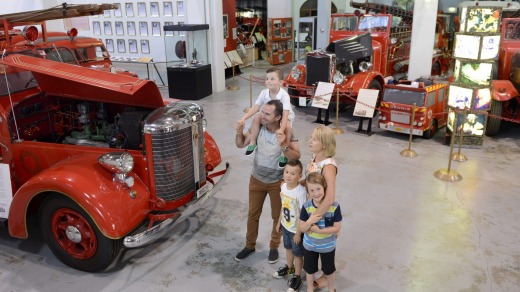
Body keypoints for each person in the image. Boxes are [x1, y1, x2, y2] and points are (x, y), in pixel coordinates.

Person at [234, 100, 301, 264]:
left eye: (267, 114)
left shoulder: (287, 132)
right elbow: (240, 144)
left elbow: (296, 156)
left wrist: (284, 145)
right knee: (252, 214)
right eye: (262, 112)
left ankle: (273, 247)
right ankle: (249, 246)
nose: (262, 116)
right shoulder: (258, 128)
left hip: (277, 182)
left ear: (278, 117)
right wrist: (239, 132)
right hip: (256, 178)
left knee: (277, 216)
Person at [236, 67, 295, 168]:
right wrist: (243, 118)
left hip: (284, 115)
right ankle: (253, 142)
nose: (268, 81)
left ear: (280, 82)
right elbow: (256, 107)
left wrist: (281, 128)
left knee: (288, 127)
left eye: (272, 79)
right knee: (256, 118)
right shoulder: (264, 92)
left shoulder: (284, 95)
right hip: (269, 114)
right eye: (267, 78)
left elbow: (285, 114)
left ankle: (283, 153)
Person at [305, 125, 338, 289]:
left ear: (324, 144)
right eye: (311, 137)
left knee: (324, 248)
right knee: (311, 247)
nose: (310, 141)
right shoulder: (315, 158)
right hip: (311, 209)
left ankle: (326, 276)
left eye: (314, 139)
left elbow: (330, 197)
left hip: (322, 214)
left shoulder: (328, 166)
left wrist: (313, 219)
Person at [299, 172, 342, 292]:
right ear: (308, 191)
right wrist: (309, 222)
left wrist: (319, 230)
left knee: (329, 270)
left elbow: (337, 228)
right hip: (309, 246)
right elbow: (301, 228)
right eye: (311, 190)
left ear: (324, 187)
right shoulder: (306, 206)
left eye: (318, 188)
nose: (316, 193)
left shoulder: (334, 206)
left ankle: (331, 289)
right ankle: (310, 289)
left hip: (327, 246)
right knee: (309, 269)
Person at [273, 159, 307, 292]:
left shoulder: (300, 192)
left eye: (293, 173)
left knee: (298, 253)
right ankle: (289, 267)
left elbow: (303, 215)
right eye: (286, 172)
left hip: (295, 229)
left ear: (300, 176)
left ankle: (297, 276)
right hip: (286, 226)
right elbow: (283, 205)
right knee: (288, 248)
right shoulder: (283, 187)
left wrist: (299, 232)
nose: (288, 175)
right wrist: (279, 221)